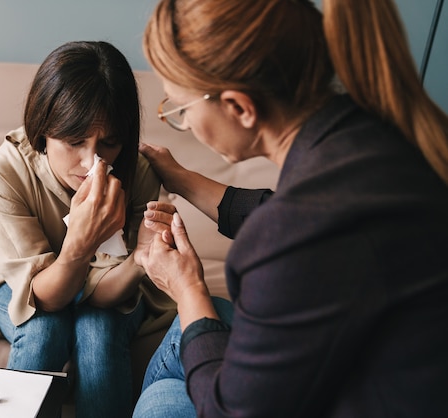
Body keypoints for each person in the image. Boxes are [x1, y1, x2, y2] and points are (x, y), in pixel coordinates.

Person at [132, 0, 448, 417]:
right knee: (207, 323)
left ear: (240, 107)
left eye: (182, 109)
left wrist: (187, 288)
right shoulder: (369, 135)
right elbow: (297, 222)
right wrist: (183, 179)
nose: (185, 124)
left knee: (161, 399)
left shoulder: (296, 231)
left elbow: (233, 410)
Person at [0, 41, 175, 418]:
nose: (92, 160)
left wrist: (140, 259)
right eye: (74, 141)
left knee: (99, 328)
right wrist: (81, 242)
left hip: (112, 290)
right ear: (43, 130)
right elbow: (44, 298)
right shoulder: (4, 173)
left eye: (108, 143)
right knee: (45, 326)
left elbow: (102, 296)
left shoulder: (135, 170)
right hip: (26, 286)